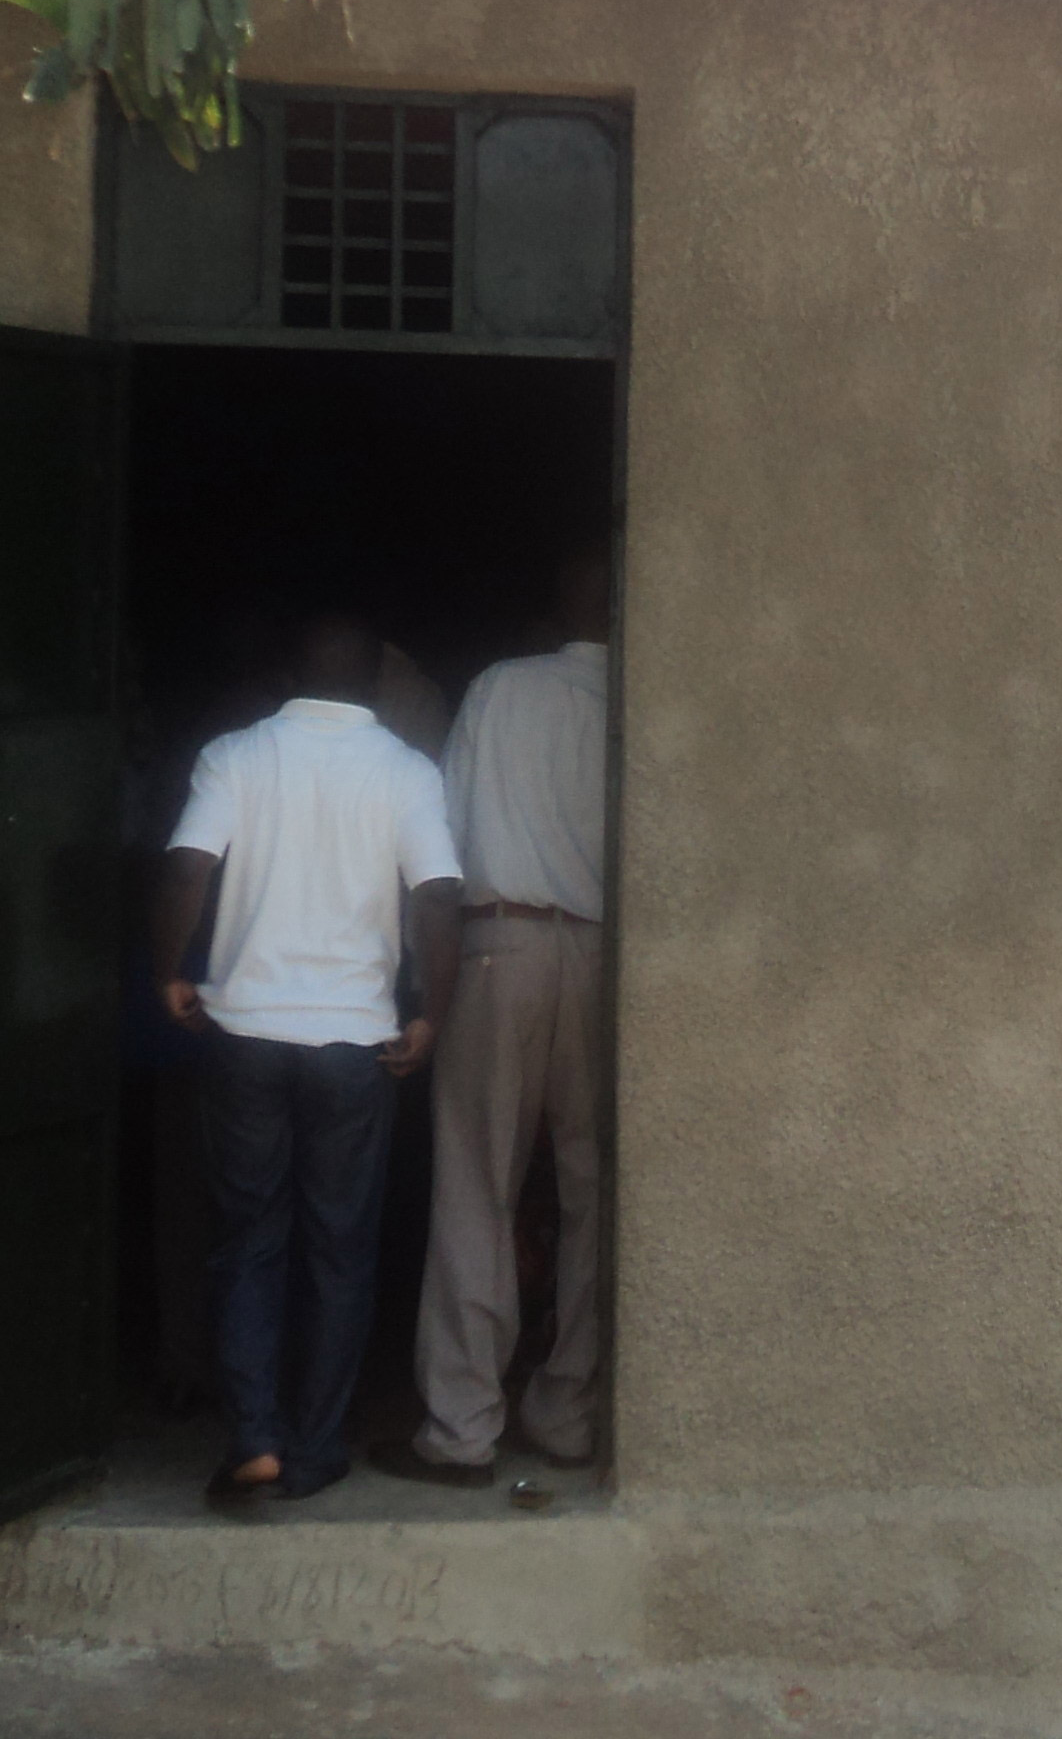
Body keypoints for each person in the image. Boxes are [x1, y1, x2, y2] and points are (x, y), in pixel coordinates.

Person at [149, 613, 464, 1504]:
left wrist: (168, 971)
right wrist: (431, 1015)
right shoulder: (407, 770)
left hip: (245, 1033)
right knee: (339, 1248)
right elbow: (439, 895)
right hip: (354, 1042)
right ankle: (317, 1446)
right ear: (375, 684)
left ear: (291, 674)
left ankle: (253, 1437)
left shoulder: (235, 754)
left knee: (247, 1239)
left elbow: (185, 869)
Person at [391, 545, 614, 1483]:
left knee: (476, 1188)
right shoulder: (638, 701)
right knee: (597, 1197)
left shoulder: (500, 688)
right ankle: (566, 1413)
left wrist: (421, 977)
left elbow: (440, 841)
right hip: (606, 961)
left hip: (498, 945)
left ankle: (462, 1427)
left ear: (559, 600)